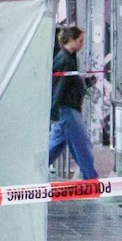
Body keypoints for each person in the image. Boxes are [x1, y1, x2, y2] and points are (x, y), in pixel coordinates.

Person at [49, 24, 99, 180]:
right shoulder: (65, 60)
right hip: (68, 110)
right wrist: (54, 109)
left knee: (53, 147)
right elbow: (59, 86)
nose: (82, 44)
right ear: (71, 40)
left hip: (65, 109)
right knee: (82, 146)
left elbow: (67, 84)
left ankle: (31, 172)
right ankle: (90, 180)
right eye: (81, 40)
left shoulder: (67, 59)